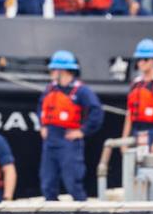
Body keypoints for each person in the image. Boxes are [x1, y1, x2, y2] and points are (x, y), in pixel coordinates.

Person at [38, 50, 104, 201]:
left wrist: (83, 131)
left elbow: (96, 111)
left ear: (63, 71)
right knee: (47, 183)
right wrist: (42, 126)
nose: (51, 72)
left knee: (72, 182)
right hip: (50, 140)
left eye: (54, 69)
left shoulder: (81, 91)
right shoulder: (50, 89)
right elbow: (41, 107)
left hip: (68, 140)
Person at [121, 39, 153, 155]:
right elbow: (129, 113)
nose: (141, 63)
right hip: (137, 131)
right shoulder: (136, 84)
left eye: (145, 59)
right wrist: (124, 140)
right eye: (139, 59)